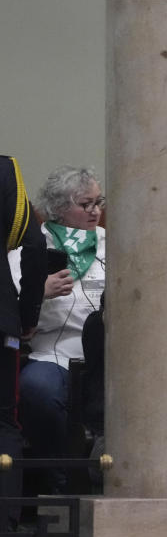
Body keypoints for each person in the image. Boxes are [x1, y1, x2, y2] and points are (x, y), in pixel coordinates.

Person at [9, 165, 105, 492]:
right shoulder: (31, 245)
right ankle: (60, 477)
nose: (95, 211)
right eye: (85, 204)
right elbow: (8, 302)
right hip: (52, 351)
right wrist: (39, 290)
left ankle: (101, 474)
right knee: (36, 391)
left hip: (106, 356)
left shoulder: (112, 243)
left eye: (98, 202)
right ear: (59, 208)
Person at [0, 156, 45, 537]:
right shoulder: (5, 170)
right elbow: (33, 245)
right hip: (0, 321)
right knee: (2, 424)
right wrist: (27, 314)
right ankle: (4, 530)